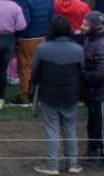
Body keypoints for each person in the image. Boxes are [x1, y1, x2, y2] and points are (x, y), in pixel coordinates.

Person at [31, 15, 84, 175]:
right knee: (69, 128)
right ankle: (73, 164)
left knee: (51, 129)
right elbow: (82, 71)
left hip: (49, 95)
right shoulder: (78, 49)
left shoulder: (42, 48)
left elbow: (34, 70)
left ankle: (51, 165)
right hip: (70, 94)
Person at [81, 11, 104, 168]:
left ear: (95, 26)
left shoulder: (103, 45)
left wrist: (84, 75)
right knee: (93, 125)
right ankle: (93, 152)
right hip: (94, 91)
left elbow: (103, 72)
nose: (82, 26)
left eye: (85, 24)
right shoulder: (91, 40)